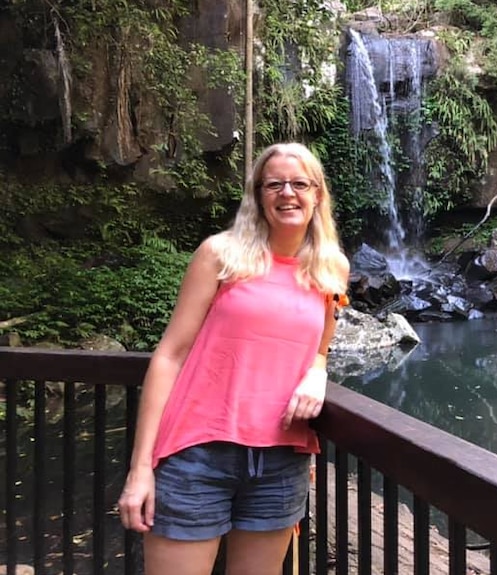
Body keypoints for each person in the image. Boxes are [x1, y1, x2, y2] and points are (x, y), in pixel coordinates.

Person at [117, 142, 350, 575]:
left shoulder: (330, 268)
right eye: (274, 184)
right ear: (258, 195)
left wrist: (317, 376)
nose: (287, 193)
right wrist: (140, 469)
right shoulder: (221, 255)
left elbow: (320, 349)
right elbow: (170, 356)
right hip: (197, 452)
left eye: (299, 183)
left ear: (317, 194)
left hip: (283, 458)